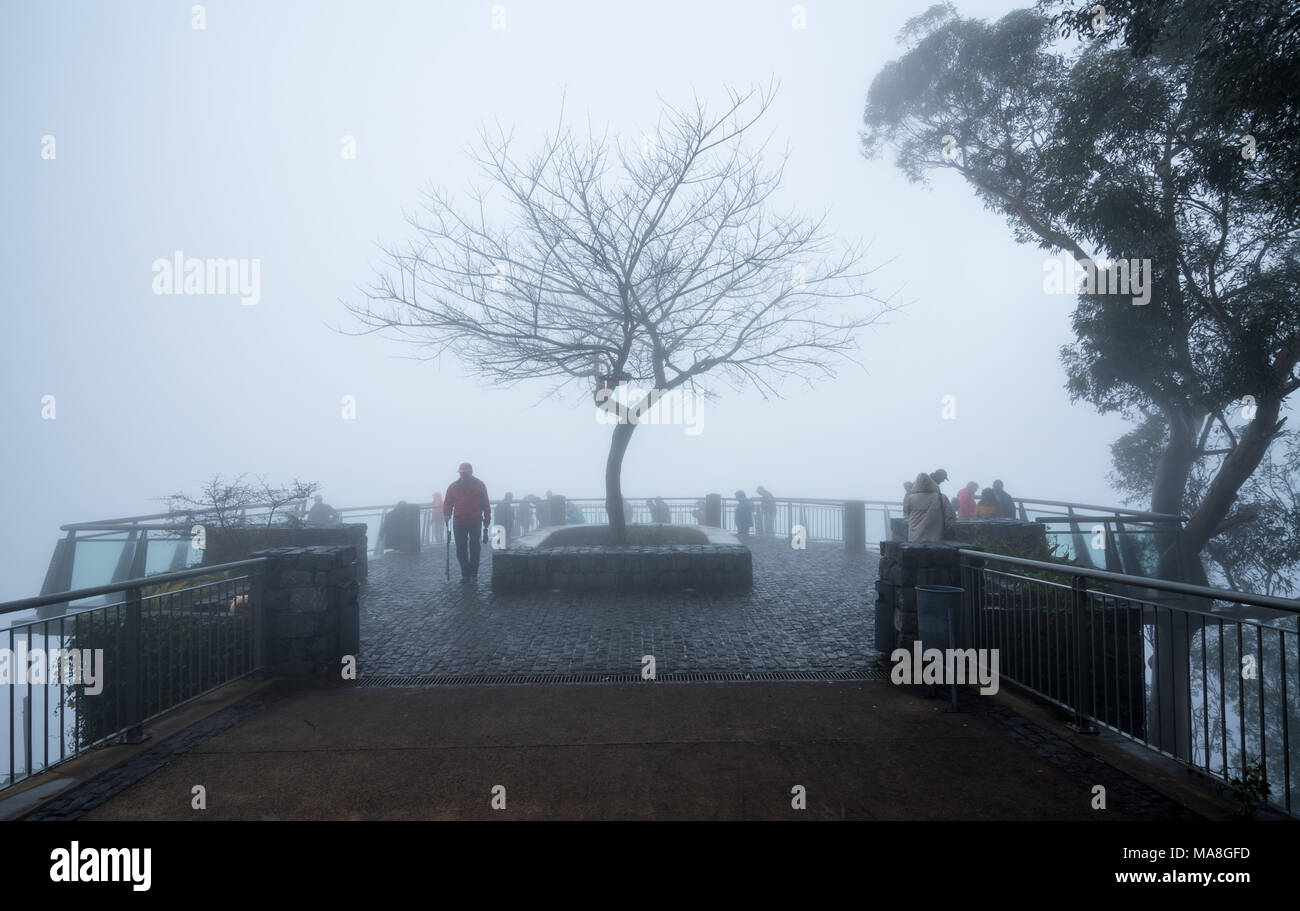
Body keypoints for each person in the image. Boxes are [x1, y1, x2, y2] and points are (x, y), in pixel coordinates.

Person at [443, 462, 491, 583]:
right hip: (459, 522)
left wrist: (487, 520)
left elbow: (485, 503)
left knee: (475, 547)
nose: (463, 475)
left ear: (470, 472)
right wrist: (447, 513)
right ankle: (466, 574)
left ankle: (473, 574)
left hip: (475, 521)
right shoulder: (453, 487)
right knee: (461, 548)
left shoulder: (480, 485)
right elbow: (448, 502)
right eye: (461, 473)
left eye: (465, 473)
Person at [905, 472, 955, 542]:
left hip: (914, 538)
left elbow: (907, 512)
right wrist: (949, 528)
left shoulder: (911, 498)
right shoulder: (941, 497)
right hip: (935, 538)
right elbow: (950, 515)